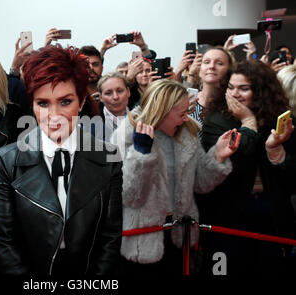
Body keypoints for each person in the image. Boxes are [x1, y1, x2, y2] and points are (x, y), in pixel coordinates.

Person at [0, 45, 123, 275]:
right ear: (32, 104)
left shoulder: (109, 158)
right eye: (43, 103)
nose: (54, 116)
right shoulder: (6, 160)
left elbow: (109, 239)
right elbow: (4, 240)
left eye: (65, 102)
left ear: (82, 101)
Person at [111, 79, 235, 274]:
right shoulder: (125, 136)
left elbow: (201, 183)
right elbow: (130, 196)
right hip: (141, 237)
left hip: (180, 233)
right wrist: (141, 155)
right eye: (182, 113)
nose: (186, 118)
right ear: (161, 111)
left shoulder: (188, 132)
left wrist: (217, 156)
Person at [199, 60, 296, 275]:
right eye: (231, 87)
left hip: (271, 210)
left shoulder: (279, 120)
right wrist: (248, 122)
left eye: (244, 88)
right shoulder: (216, 121)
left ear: (261, 91)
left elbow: (290, 176)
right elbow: (233, 163)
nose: (235, 94)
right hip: (228, 211)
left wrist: (276, 150)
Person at [187, 47, 234, 124]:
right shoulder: (189, 100)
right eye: (207, 62)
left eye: (219, 63)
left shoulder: (231, 105)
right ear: (199, 70)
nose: (211, 66)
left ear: (229, 70)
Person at [92, 72, 130, 141]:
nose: (115, 97)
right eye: (108, 93)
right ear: (101, 97)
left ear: (128, 92)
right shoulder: (91, 127)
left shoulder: (141, 119)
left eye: (120, 91)